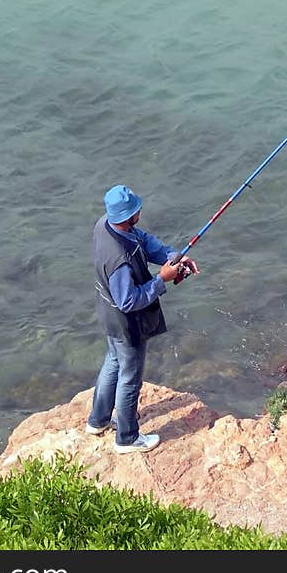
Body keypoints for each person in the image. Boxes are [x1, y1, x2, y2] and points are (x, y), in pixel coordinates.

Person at [86, 184, 199, 453]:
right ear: (128, 216)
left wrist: (174, 257)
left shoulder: (106, 225)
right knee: (130, 378)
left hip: (108, 317)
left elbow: (143, 241)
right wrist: (162, 279)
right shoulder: (119, 261)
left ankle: (98, 420)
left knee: (113, 363)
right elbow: (128, 301)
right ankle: (127, 438)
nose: (140, 212)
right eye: (136, 210)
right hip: (128, 326)